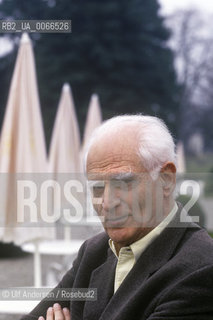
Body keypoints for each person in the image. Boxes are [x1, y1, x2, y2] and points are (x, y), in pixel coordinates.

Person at [21, 115, 213, 320]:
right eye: (97, 187)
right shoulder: (93, 251)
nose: (107, 202)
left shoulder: (201, 270)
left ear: (166, 179)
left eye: (122, 183)